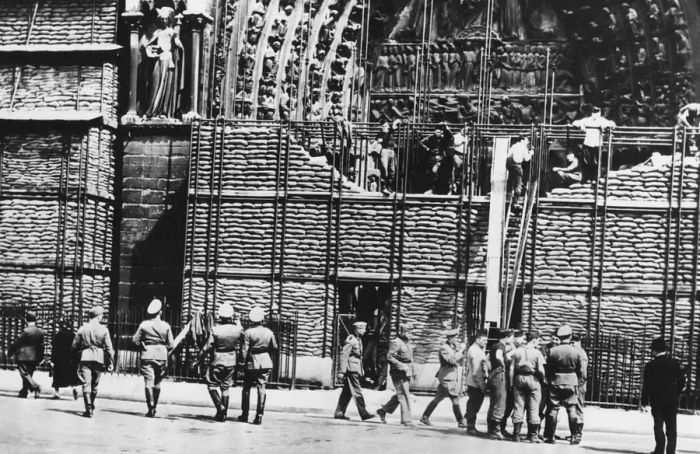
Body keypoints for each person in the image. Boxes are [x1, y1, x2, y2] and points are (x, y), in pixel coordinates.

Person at [199, 303, 243, 422]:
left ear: (220, 316)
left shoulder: (215, 329)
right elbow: (243, 335)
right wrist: (238, 323)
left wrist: (201, 354)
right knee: (225, 387)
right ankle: (223, 415)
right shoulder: (237, 329)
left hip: (218, 359)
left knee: (212, 385)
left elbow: (209, 345)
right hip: (231, 360)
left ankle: (220, 407)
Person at [641, 337, 686, 454]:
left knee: (658, 427)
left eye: (652, 350)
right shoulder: (674, 363)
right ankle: (671, 451)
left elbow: (647, 385)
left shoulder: (650, 365)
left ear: (656, 351)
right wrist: (676, 392)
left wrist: (644, 400)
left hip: (657, 401)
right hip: (671, 400)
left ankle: (659, 449)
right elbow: (682, 381)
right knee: (671, 428)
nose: (651, 352)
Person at [543, 324, 586, 445]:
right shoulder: (576, 352)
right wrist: (575, 379)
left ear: (559, 336)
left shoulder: (552, 351)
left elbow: (548, 369)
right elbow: (580, 370)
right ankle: (573, 437)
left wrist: (552, 378)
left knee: (553, 409)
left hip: (556, 380)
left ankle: (550, 437)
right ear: (570, 336)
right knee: (572, 409)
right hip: (571, 381)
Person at [132, 298, 174, 418]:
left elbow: (135, 340)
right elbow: (171, 345)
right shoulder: (166, 326)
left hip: (147, 354)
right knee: (158, 382)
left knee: (148, 382)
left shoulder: (144, 325)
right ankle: (154, 406)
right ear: (160, 312)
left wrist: (142, 344)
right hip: (161, 355)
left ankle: (150, 408)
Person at [71, 305, 114, 418]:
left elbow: (74, 346)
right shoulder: (104, 329)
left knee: (86, 383)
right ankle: (92, 404)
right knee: (95, 385)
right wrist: (110, 362)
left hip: (85, 357)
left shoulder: (83, 328)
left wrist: (76, 355)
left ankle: (88, 409)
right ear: (99, 316)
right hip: (99, 358)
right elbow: (110, 349)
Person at [238, 306, 277, 425]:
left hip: (251, 363)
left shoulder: (248, 332)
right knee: (262, 388)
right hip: (265, 362)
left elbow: (244, 350)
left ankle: (245, 414)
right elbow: (275, 347)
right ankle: (259, 416)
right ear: (262, 319)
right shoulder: (269, 332)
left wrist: (241, 364)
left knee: (246, 389)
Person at [420, 327, 467, 428]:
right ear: (449, 338)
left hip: (450, 377)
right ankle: (461, 421)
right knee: (455, 398)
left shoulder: (452, 347)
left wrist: (459, 348)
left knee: (438, 398)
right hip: (447, 377)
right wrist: (461, 351)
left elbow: (457, 353)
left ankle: (425, 417)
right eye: (455, 338)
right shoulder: (444, 348)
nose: (456, 340)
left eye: (457, 338)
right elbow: (451, 360)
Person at [510, 330, 546, 443]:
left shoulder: (517, 351)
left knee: (518, 406)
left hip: (519, 378)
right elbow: (541, 369)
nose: (538, 343)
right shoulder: (537, 353)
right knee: (534, 407)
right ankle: (533, 436)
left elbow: (511, 369)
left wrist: (511, 383)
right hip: (533, 379)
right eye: (538, 341)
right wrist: (542, 379)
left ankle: (516, 435)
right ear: (534, 340)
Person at [334, 321, 375, 422]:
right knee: (357, 391)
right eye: (363, 329)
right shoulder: (351, 340)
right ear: (358, 330)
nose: (365, 331)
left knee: (347, 392)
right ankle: (364, 413)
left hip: (355, 368)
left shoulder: (358, 339)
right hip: (351, 369)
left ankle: (339, 412)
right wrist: (341, 371)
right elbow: (344, 356)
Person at [376, 323, 415, 426]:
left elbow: (410, 359)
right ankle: (406, 420)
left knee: (400, 395)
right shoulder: (396, 343)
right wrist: (402, 366)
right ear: (402, 332)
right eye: (408, 332)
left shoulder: (406, 343)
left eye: (411, 333)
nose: (410, 335)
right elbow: (389, 357)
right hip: (398, 373)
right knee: (404, 395)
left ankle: (383, 410)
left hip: (406, 372)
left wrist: (413, 371)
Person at [571, 106, 616, 183]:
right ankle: (586, 178)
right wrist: (580, 126)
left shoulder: (602, 120)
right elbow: (575, 122)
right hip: (588, 143)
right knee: (586, 161)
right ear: (592, 113)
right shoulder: (587, 120)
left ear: (600, 113)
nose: (595, 115)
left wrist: (608, 125)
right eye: (594, 113)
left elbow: (613, 124)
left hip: (597, 144)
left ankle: (595, 178)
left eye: (597, 113)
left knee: (597, 162)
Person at [9, 311, 44, 398]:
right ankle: (24, 391)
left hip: (23, 356)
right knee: (29, 375)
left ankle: (36, 387)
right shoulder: (40, 332)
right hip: (34, 356)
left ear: (26, 320)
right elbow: (41, 346)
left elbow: (17, 343)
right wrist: (40, 357)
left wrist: (10, 352)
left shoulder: (26, 331)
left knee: (24, 374)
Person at [486, 329, 514, 439]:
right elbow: (498, 356)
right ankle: (496, 431)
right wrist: (503, 365)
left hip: (494, 375)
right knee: (500, 403)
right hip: (499, 376)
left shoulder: (494, 345)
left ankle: (491, 430)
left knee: (493, 403)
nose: (512, 339)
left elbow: (487, 358)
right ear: (506, 337)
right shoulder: (500, 346)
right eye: (511, 337)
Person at [501, 330, 526, 436]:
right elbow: (505, 357)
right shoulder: (510, 347)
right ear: (516, 338)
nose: (524, 341)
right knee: (507, 405)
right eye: (522, 338)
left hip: (514, 379)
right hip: (508, 379)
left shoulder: (516, 347)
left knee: (511, 405)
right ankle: (501, 428)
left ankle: (503, 427)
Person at [464, 329, 489, 434]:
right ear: (477, 339)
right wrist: (482, 385)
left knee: (474, 405)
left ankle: (470, 425)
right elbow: (476, 371)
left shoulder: (478, 349)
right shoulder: (475, 350)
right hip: (475, 383)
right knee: (474, 405)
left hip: (475, 381)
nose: (486, 342)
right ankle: (470, 427)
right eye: (483, 340)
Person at [50, 318, 81, 400]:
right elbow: (76, 348)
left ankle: (57, 393)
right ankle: (74, 388)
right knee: (71, 375)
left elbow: (54, 349)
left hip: (59, 360)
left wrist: (52, 360)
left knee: (57, 377)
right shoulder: (73, 335)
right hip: (70, 359)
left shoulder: (57, 335)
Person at [506, 136, 533, 203]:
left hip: (509, 164)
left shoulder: (514, 146)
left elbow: (508, 156)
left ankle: (508, 194)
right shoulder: (523, 147)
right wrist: (531, 153)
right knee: (518, 183)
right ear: (522, 140)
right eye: (527, 140)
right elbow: (526, 159)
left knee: (511, 180)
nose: (528, 142)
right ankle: (515, 201)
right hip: (517, 165)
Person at [571, 334, 589, 427]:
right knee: (574, 408)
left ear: (579, 342)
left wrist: (577, 385)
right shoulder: (577, 353)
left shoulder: (581, 354)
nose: (572, 345)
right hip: (577, 383)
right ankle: (574, 432)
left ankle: (578, 433)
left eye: (573, 343)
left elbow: (583, 373)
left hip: (579, 384)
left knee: (578, 408)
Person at [376, 121, 397, 196]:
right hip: (384, 150)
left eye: (384, 126)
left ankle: (389, 187)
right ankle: (383, 187)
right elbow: (379, 140)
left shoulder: (391, 132)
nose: (383, 128)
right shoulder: (380, 134)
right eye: (382, 126)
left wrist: (395, 123)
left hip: (392, 151)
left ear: (388, 126)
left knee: (392, 170)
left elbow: (393, 129)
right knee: (384, 169)